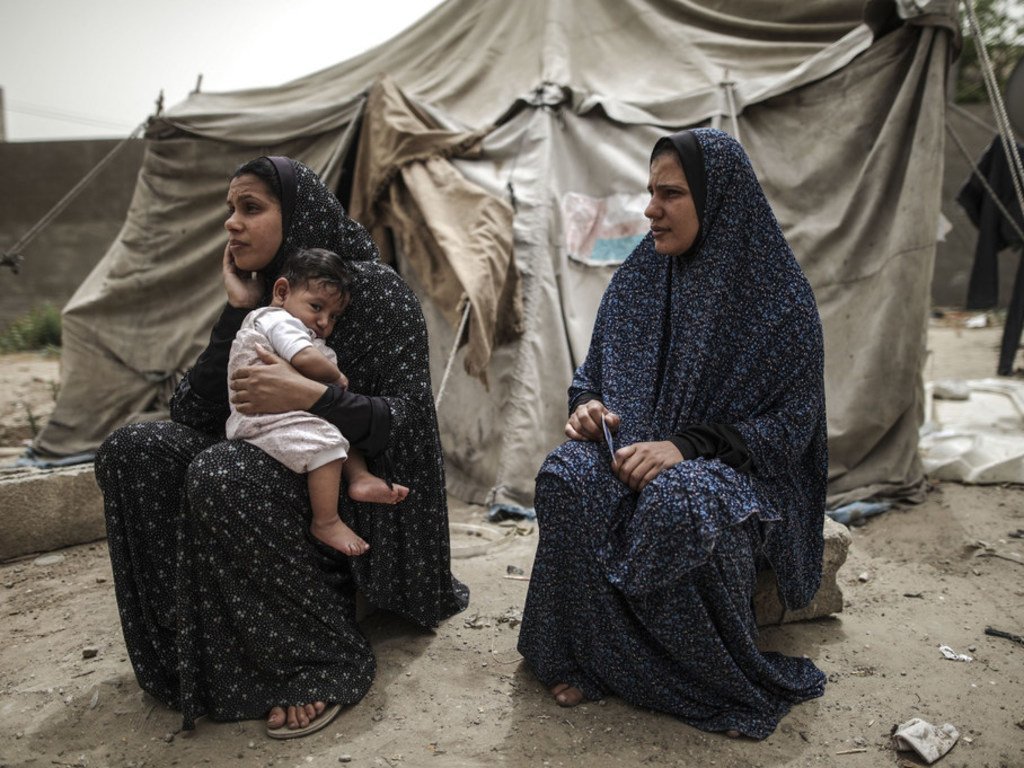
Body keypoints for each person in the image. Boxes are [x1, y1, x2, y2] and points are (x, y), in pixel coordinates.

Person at [95, 156, 468, 739]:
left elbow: (406, 421)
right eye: (229, 211)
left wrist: (313, 395)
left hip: (347, 477)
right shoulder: (268, 299)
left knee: (223, 471)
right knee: (133, 450)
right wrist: (241, 311)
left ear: (297, 216)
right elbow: (193, 411)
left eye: (251, 208)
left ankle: (315, 656)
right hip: (272, 449)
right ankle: (199, 642)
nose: (232, 225)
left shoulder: (369, 290)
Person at [517, 128, 828, 740]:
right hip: (633, 453)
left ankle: (688, 678)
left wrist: (685, 447)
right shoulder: (639, 278)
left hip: (743, 477)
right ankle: (589, 655)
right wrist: (591, 409)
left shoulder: (778, 299)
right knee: (568, 475)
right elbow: (591, 376)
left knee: (679, 497)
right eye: (650, 191)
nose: (650, 209)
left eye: (671, 194)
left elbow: (793, 428)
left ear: (718, 200)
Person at [226, 246, 409, 556]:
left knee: (334, 420)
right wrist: (334, 377)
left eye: (334, 316)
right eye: (316, 306)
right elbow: (303, 357)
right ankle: (326, 520)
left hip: (285, 410)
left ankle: (360, 476)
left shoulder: (298, 325)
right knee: (325, 439)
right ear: (282, 292)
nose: (324, 322)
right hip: (262, 416)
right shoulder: (278, 320)